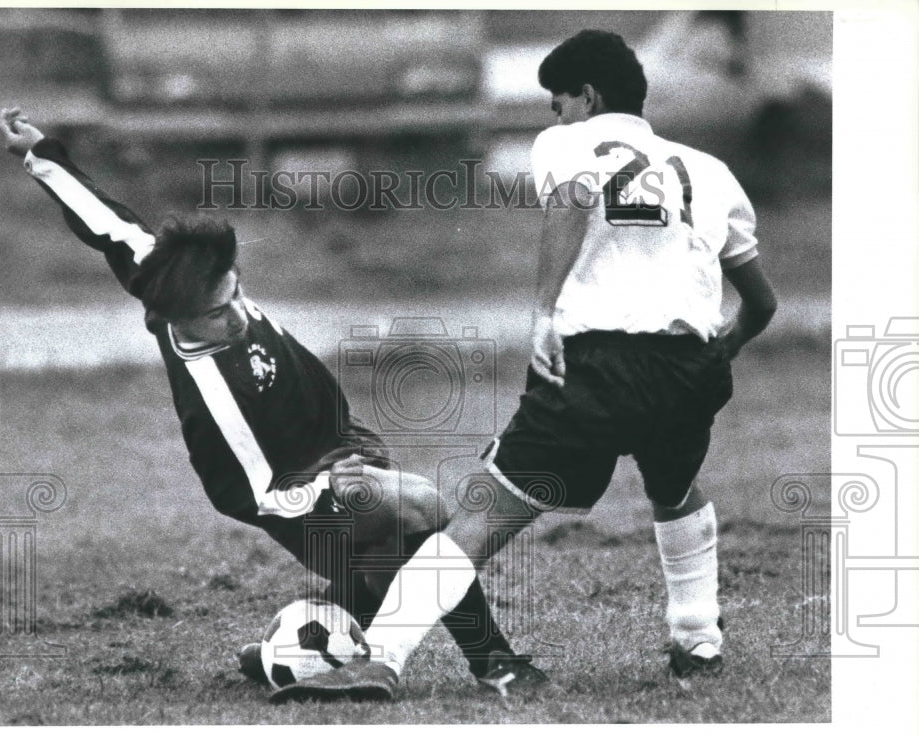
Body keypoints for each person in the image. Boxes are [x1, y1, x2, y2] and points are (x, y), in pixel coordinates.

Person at [274, 29, 777, 702]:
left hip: (595, 363)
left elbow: (571, 201)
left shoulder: (570, 142)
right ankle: (697, 641)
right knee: (674, 491)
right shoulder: (710, 171)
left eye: (558, 101)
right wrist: (725, 346)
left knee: (480, 517)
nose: (554, 116)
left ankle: (383, 658)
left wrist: (544, 311)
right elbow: (762, 302)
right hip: (689, 367)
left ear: (587, 96)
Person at [0, 108, 548, 699]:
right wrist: (333, 486)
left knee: (392, 561)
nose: (238, 316)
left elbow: (109, 224)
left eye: (235, 293)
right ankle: (493, 661)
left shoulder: (175, 271)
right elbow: (251, 494)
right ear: (174, 319)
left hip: (343, 446)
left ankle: (291, 652)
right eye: (217, 314)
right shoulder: (214, 399)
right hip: (299, 492)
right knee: (424, 521)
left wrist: (42, 156)